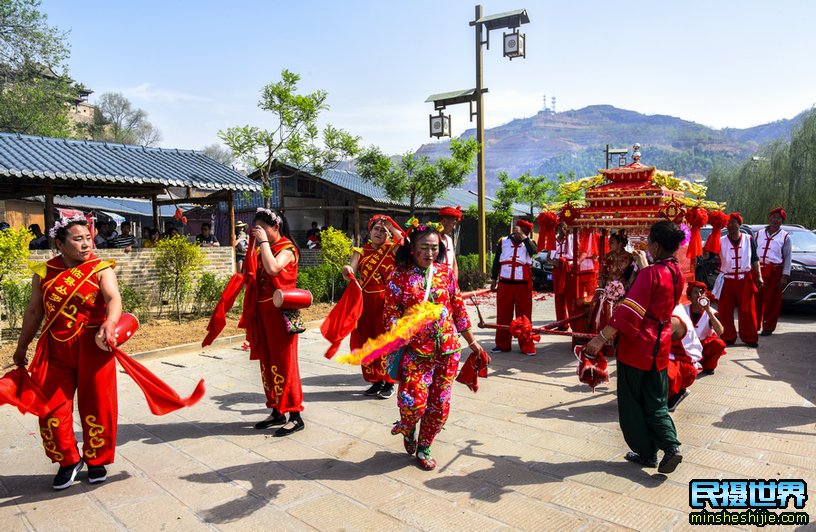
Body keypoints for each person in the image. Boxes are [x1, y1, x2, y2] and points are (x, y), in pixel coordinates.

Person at [584, 220, 686, 474]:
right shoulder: (677, 272)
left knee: (631, 403)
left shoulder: (651, 273)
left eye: (650, 240)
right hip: (660, 344)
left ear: (657, 245)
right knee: (655, 400)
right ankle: (671, 446)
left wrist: (600, 338)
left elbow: (630, 311)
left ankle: (647, 452)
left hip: (638, 345)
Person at [384, 219, 484, 470]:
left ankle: (425, 445)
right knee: (413, 403)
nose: (430, 253)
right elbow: (390, 314)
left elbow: (458, 306)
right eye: (424, 248)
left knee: (440, 405)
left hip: (448, 349)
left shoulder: (445, 273)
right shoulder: (399, 277)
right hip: (416, 351)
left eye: (435, 248)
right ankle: (408, 428)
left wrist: (471, 341)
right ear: (412, 248)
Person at [246, 208, 305, 437]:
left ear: (275, 227)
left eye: (263, 228)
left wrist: (262, 244)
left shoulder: (287, 249)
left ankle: (295, 416)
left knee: (285, 363)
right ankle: (277, 410)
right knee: (267, 362)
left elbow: (272, 268)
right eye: (257, 229)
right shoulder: (264, 248)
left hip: (281, 314)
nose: (259, 233)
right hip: (263, 313)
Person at [341, 214, 404, 399]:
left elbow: (404, 241)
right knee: (367, 341)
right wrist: (347, 271)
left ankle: (389, 382)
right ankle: (375, 381)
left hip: (387, 302)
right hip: (365, 303)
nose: (379, 233)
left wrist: (391, 226)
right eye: (376, 229)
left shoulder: (392, 249)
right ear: (369, 231)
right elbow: (350, 271)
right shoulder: (360, 251)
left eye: (383, 231)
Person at [490, 219, 537, 355]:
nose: (523, 234)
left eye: (526, 232)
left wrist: (524, 237)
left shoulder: (529, 243)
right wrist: (493, 279)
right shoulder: (503, 241)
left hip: (523, 285)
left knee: (524, 316)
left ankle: (526, 345)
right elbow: (496, 261)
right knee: (503, 315)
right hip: (505, 284)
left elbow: (534, 251)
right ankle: (502, 344)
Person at [714, 213, 762, 347]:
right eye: (729, 223)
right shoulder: (720, 240)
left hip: (744, 278)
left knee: (747, 309)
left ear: (740, 224)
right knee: (725, 310)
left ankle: (750, 337)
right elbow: (708, 255)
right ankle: (728, 336)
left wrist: (759, 276)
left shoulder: (748, 238)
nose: (731, 225)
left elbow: (755, 259)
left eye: (734, 222)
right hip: (727, 279)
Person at [754, 207, 791, 336]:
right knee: (756, 298)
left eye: (778, 218)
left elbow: (788, 257)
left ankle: (768, 327)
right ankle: (755, 324)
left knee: (772, 300)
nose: (775, 220)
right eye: (773, 217)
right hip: (758, 269)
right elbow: (752, 253)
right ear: (769, 218)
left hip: (775, 271)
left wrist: (785, 275)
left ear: (782, 221)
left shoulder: (785, 236)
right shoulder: (758, 233)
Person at [590, 230, 636, 333]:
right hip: (607, 289)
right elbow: (602, 273)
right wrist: (603, 287)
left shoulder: (630, 257)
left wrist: (625, 287)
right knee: (596, 304)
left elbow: (633, 275)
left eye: (612, 242)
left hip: (625, 289)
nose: (609, 244)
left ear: (620, 244)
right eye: (609, 242)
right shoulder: (607, 257)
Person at [666, 304, 703, 412]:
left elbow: (653, 342)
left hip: (684, 362)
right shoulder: (671, 306)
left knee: (657, 368)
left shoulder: (674, 318)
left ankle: (674, 393)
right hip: (672, 352)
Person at [685, 281, 726, 375]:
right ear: (689, 297)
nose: (699, 295)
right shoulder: (683, 310)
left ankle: (708, 366)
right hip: (687, 346)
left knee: (719, 344)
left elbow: (720, 331)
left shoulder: (712, 312)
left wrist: (708, 310)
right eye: (695, 292)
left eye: (702, 292)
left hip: (704, 345)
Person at [548, 221, 572, 329]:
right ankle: (562, 323)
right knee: (559, 297)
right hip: (557, 270)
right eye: (563, 228)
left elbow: (578, 254)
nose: (565, 230)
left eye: (566, 228)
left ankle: (573, 323)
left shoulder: (571, 239)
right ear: (558, 228)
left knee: (570, 297)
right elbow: (548, 258)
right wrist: (555, 262)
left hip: (569, 269)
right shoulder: (553, 241)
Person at [437, 206, 462, 280]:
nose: (454, 227)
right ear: (444, 221)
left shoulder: (449, 240)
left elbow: (454, 264)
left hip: (449, 282)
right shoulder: (431, 239)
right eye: (453, 224)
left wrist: (455, 283)